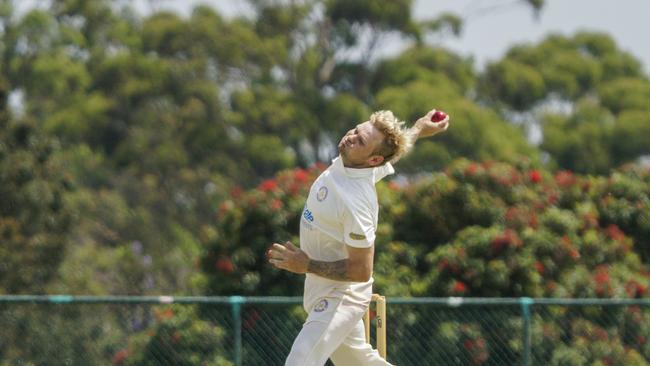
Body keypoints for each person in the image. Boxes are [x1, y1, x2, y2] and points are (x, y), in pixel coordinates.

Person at [267, 108, 450, 366]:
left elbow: (362, 270)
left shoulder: (357, 201)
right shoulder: (352, 162)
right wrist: (419, 128)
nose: (351, 137)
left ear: (373, 159)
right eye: (355, 130)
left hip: (342, 295)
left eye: (360, 140)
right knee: (358, 362)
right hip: (320, 288)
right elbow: (389, 156)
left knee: (299, 361)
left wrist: (306, 265)